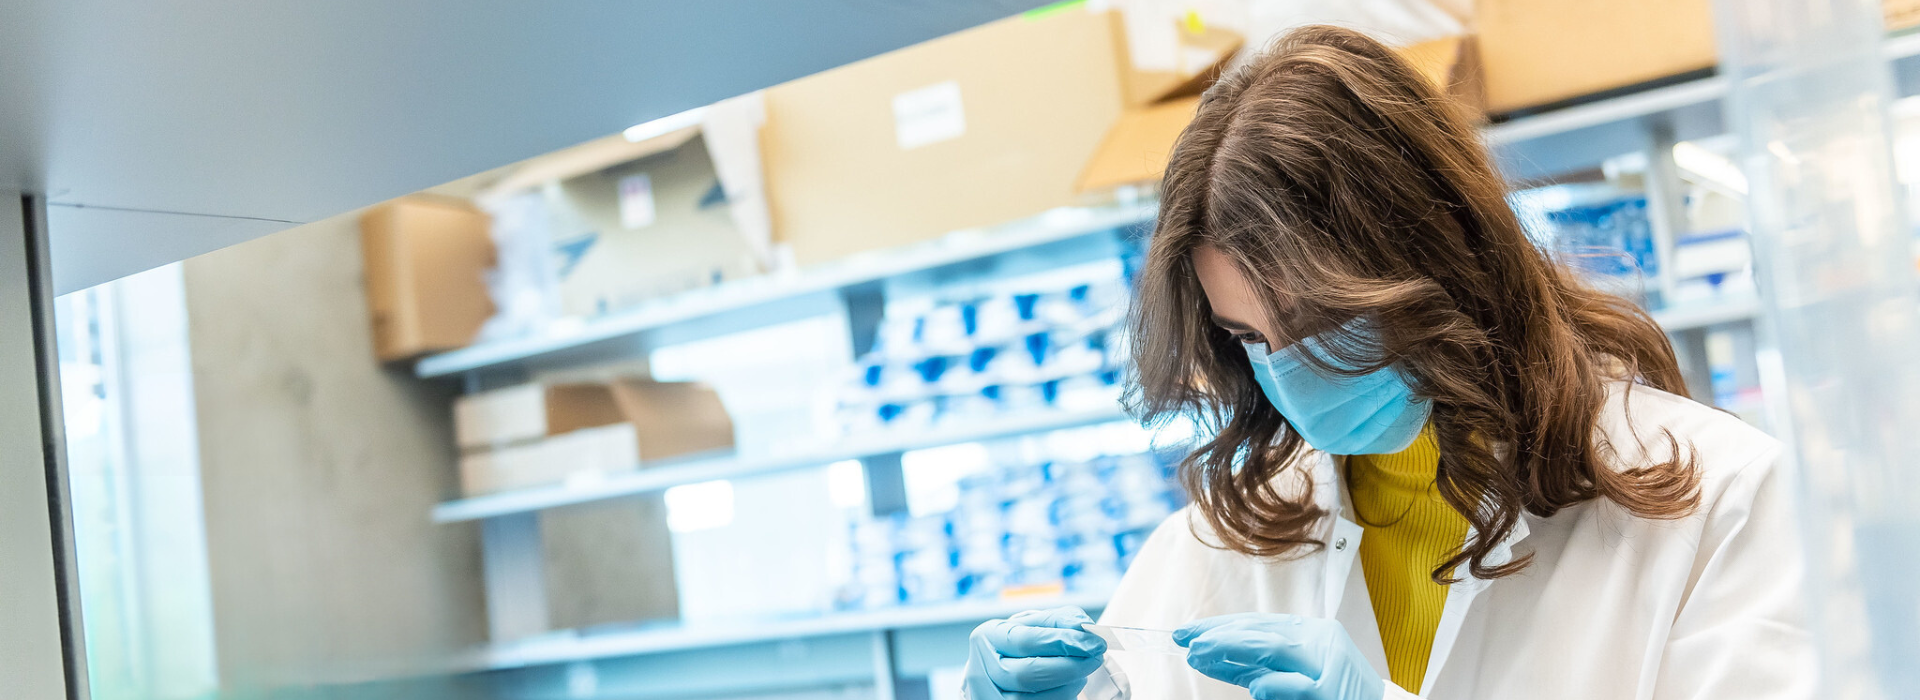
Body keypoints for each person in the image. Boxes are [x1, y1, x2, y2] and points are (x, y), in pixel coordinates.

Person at [962, 25, 1813, 700]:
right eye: (1250, 338)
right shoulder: (1232, 537)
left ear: (1447, 258)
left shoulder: (1717, 500)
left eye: (1324, 320)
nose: (1289, 378)